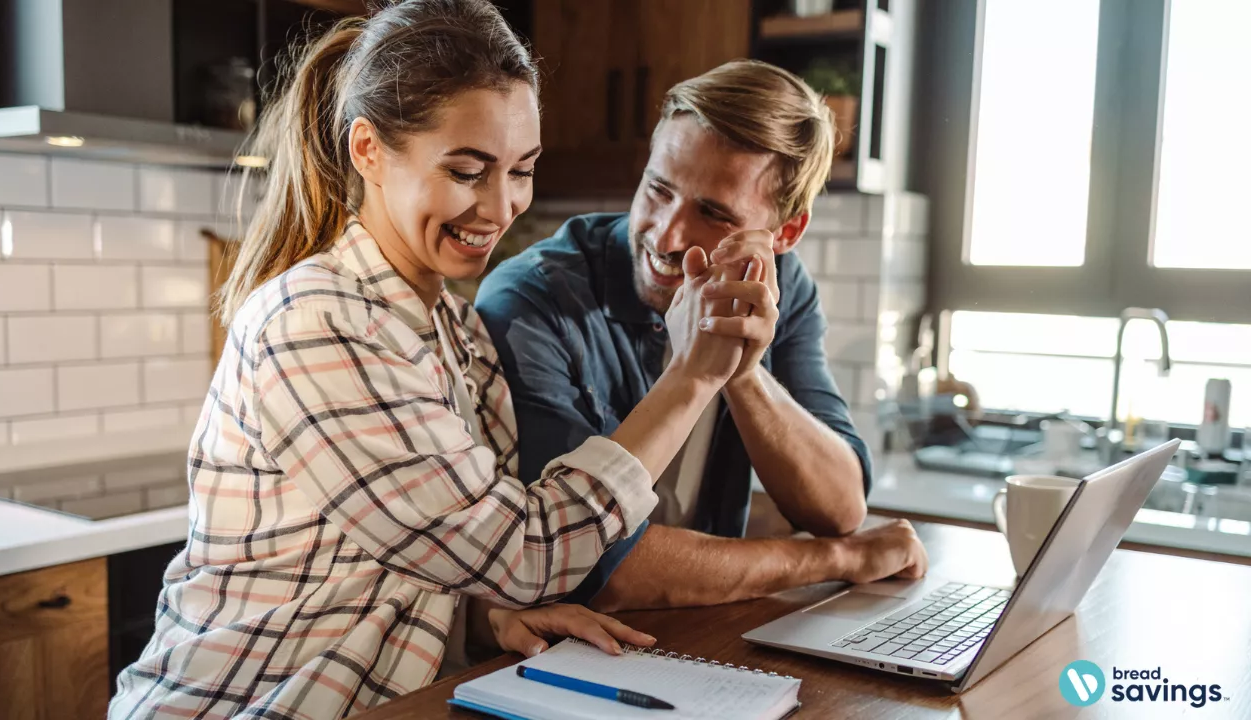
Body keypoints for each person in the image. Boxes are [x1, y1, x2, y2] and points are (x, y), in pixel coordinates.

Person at [108, 2, 751, 718]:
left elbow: (405, 561)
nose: (500, 205)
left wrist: (487, 620)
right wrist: (692, 376)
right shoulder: (319, 322)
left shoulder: (453, 328)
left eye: (522, 170)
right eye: (468, 170)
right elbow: (527, 552)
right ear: (369, 151)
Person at [475, 60, 929, 613]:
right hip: (555, 657)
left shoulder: (778, 288)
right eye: (657, 189)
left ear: (784, 233)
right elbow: (586, 565)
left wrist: (743, 371)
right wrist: (837, 560)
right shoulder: (532, 300)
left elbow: (839, 508)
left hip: (703, 638)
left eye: (713, 214)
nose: (667, 235)